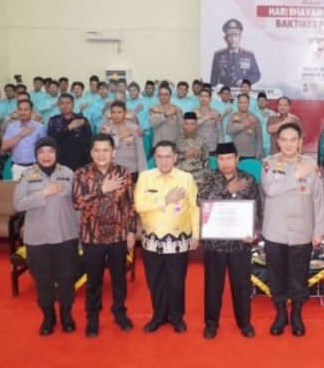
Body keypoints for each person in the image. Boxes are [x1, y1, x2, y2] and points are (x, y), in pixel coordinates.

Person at [260, 123, 324, 337]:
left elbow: (318, 199)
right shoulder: (268, 163)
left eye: (293, 140)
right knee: (276, 276)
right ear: (278, 142)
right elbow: (270, 190)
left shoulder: (311, 165)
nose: (288, 144)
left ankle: (297, 314)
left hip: (302, 230)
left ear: (300, 142)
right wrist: (295, 176)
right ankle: (281, 314)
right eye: (284, 140)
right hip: (275, 230)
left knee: (299, 276)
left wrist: (319, 230)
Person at [13, 137, 79, 336]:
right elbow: (18, 204)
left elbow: (79, 206)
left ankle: (66, 314)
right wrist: (43, 192)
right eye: (41, 152)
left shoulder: (68, 173)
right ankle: (48, 316)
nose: (46, 155)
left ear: (56, 153)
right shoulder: (27, 175)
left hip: (66, 235)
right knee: (43, 280)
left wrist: (81, 235)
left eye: (50, 151)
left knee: (67, 278)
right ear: (36, 155)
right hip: (38, 238)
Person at [72, 133, 136, 337]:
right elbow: (76, 202)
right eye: (97, 150)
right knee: (94, 280)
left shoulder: (123, 172)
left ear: (113, 152)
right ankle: (92, 317)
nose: (101, 154)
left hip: (118, 236)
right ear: (91, 153)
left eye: (105, 150)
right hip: (92, 236)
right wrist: (101, 189)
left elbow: (130, 204)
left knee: (119, 279)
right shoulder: (81, 173)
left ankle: (119, 312)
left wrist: (132, 231)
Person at [134, 140, 199, 334]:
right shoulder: (145, 177)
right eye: (159, 157)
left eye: (168, 157)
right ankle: (158, 316)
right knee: (155, 280)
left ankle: (177, 317)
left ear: (175, 157)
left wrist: (196, 234)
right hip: (152, 239)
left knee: (176, 280)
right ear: (154, 158)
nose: (163, 161)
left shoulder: (186, 178)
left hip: (179, 238)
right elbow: (139, 206)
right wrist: (165, 200)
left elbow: (194, 208)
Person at [198, 142, 261, 339]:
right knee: (212, 286)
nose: (225, 163)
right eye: (221, 159)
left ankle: (244, 323)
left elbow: (257, 209)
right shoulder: (209, 177)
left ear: (237, 158)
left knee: (242, 286)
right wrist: (227, 189)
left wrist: (252, 230)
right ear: (216, 160)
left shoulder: (248, 179)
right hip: (215, 243)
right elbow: (201, 201)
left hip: (239, 243)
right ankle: (211, 324)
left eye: (229, 158)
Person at [100, 101, 147, 182]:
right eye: (114, 112)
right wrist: (119, 137)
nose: (116, 115)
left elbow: (140, 154)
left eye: (119, 112)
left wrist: (143, 176)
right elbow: (104, 149)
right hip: (111, 171)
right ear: (110, 114)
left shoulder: (134, 129)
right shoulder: (106, 130)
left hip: (131, 171)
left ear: (125, 113)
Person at [2, 99, 47, 180]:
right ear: (17, 111)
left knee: (34, 188)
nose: (23, 112)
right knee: (18, 188)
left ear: (31, 111)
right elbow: (4, 146)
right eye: (20, 109)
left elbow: (44, 149)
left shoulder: (39, 127)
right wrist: (20, 135)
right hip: (17, 167)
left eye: (26, 109)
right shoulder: (11, 127)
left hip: (35, 166)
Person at [210, 18, 261, 87]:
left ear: (240, 38)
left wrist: (245, 82)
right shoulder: (218, 55)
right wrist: (215, 88)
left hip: (242, 91)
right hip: (224, 91)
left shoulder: (249, 55)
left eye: (236, 36)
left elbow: (256, 74)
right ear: (225, 38)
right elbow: (214, 77)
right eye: (229, 36)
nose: (233, 39)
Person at [47, 94, 92, 171]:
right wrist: (69, 128)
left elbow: (89, 140)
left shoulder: (81, 120)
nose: (65, 106)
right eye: (62, 103)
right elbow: (51, 140)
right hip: (60, 161)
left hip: (80, 161)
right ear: (58, 105)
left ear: (73, 104)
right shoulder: (53, 120)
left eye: (68, 103)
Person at [226, 94, 264, 160]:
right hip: (235, 154)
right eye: (240, 102)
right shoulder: (232, 116)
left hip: (251, 154)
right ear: (237, 104)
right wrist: (243, 125)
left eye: (245, 102)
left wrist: (258, 154)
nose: (243, 105)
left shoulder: (254, 118)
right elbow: (228, 130)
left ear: (248, 104)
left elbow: (259, 138)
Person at [194, 88, 224, 155]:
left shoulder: (215, 113)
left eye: (206, 96)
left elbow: (220, 132)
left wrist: (221, 148)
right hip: (197, 147)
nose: (203, 98)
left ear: (210, 99)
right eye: (201, 96)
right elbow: (191, 128)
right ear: (198, 98)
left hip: (212, 147)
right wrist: (205, 118)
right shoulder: (193, 113)